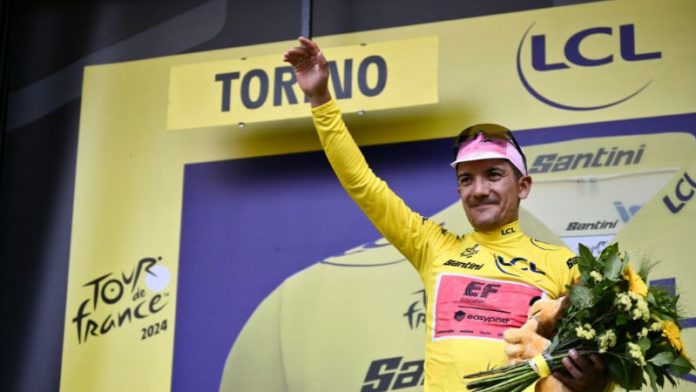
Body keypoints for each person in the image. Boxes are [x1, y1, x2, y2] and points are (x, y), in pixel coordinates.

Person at [284, 37, 608, 392]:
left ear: (524, 185)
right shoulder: (433, 246)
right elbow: (362, 183)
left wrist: (597, 384)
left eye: (494, 175)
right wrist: (320, 100)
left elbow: (603, 359)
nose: (479, 189)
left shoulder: (565, 264)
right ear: (458, 192)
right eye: (466, 179)